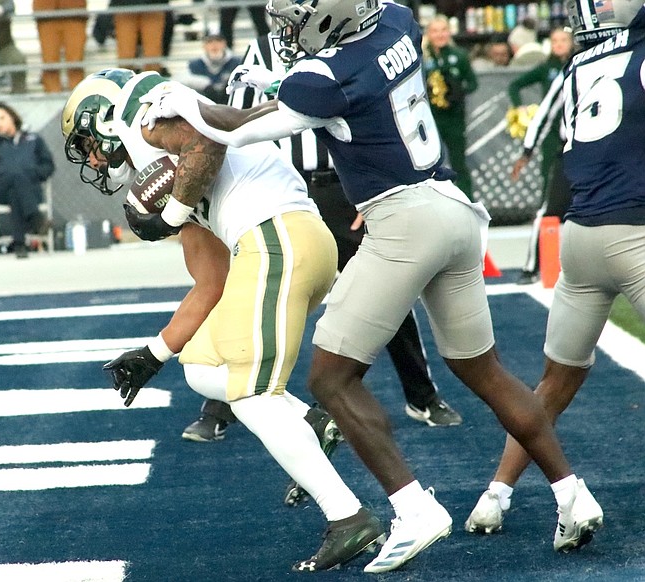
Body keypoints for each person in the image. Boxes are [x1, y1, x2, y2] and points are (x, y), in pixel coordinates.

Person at [138, 0, 603, 572]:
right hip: (454, 210)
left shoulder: (324, 75)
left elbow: (235, 129)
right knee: (485, 371)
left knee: (330, 379)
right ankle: (573, 495)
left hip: (403, 220)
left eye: (294, 17)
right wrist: (277, 80)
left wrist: (184, 103)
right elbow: (347, 83)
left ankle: (412, 510)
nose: (285, 28)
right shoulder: (396, 20)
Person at [61, 68, 386, 572]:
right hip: (281, 244)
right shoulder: (165, 167)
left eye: (88, 142)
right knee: (202, 365)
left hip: (277, 236)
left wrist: (169, 213)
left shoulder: (141, 112)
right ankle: (309, 421)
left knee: (251, 395)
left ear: (103, 118)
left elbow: (206, 143)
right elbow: (210, 283)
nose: (94, 159)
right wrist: (154, 355)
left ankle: (349, 518)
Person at [183, 31, 463, 447]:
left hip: (343, 187)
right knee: (246, 290)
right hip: (282, 191)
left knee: (387, 289)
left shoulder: (354, 44)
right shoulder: (263, 48)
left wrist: (370, 191)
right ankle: (220, 406)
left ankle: (420, 394)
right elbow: (234, 127)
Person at [467, 0, 643, 539]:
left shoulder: (575, 67)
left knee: (554, 383)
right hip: (635, 233)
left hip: (578, 237)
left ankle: (494, 496)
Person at [508, 27, 575, 285]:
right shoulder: (572, 68)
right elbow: (545, 112)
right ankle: (532, 265)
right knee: (550, 209)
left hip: (604, 151)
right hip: (567, 148)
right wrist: (527, 150)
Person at [0, 102, 54, 258]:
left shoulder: (34, 140)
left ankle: (19, 243)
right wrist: (3, 173)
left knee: (17, 187)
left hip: (30, 189)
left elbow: (48, 165)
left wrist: (33, 172)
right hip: (3, 190)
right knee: (14, 176)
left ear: (12, 117)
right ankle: (36, 220)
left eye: (1, 118)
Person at [422, 14, 478, 200]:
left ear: (449, 32)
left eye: (443, 30)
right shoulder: (420, 57)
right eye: (435, 31)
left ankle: (468, 203)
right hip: (430, 120)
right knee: (429, 165)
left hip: (454, 119)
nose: (440, 35)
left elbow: (473, 83)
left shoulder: (459, 55)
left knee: (459, 164)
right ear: (428, 33)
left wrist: (459, 90)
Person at [33, 0, 87, 93]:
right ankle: (51, 98)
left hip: (75, 12)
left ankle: (78, 99)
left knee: (75, 62)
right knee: (50, 63)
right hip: (46, 13)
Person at [174, 33, 241, 105]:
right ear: (204, 46)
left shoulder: (237, 62)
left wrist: (231, 82)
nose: (214, 45)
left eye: (218, 41)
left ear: (224, 43)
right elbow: (177, 80)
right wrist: (204, 84)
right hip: (203, 106)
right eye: (210, 42)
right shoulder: (195, 64)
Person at [110, 0, 167, 73]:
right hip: (126, 6)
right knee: (127, 54)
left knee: (151, 54)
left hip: (151, 6)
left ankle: (151, 78)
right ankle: (151, 77)